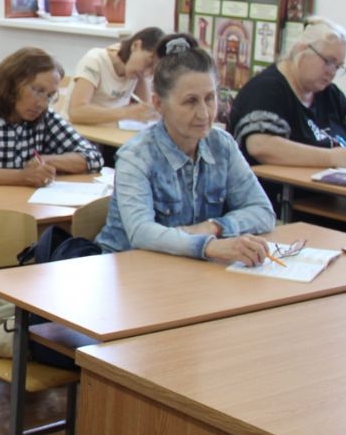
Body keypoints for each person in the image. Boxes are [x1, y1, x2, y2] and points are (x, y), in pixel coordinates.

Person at [96, 33, 275, 264]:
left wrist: (214, 227)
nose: (204, 113)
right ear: (158, 104)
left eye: (210, 98)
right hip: (128, 268)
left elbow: (262, 211)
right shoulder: (136, 156)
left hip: (188, 267)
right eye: (190, 101)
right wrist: (208, 246)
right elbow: (141, 232)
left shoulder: (223, 145)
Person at [229, 16, 346, 171]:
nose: (332, 72)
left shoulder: (328, 92)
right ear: (302, 49)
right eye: (328, 61)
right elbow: (260, 146)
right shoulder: (267, 88)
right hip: (279, 186)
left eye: (338, 66)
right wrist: (332, 157)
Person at [0, 47, 102, 186]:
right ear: (12, 84)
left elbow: (94, 157)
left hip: (21, 206)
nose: (42, 103)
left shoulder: (46, 118)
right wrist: (21, 176)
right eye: (37, 91)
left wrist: (45, 160)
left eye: (49, 96)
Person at [62, 27, 163, 125]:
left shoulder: (136, 72)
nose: (146, 73)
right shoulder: (95, 60)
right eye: (148, 63)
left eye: (152, 71)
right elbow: (76, 112)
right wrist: (127, 112)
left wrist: (142, 79)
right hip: (78, 131)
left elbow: (148, 109)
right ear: (135, 45)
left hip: (108, 131)